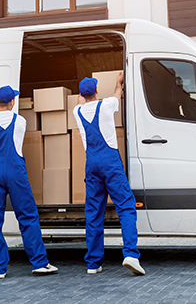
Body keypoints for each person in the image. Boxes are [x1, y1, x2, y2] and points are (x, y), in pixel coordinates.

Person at [0, 85, 58, 279]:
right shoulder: (20, 121)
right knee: (27, 217)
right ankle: (39, 263)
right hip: (16, 173)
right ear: (11, 102)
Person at [72, 73, 145, 276]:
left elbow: (81, 101)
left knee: (94, 214)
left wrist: (84, 95)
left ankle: (93, 263)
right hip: (110, 163)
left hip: (92, 165)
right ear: (96, 91)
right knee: (126, 207)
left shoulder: (77, 111)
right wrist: (118, 83)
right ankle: (131, 254)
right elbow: (117, 94)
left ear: (81, 94)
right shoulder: (106, 105)